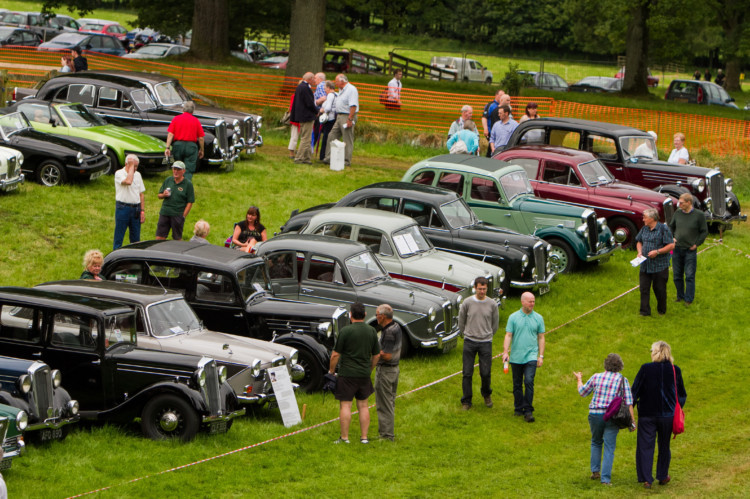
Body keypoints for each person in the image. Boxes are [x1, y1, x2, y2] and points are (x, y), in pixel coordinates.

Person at [632, 341, 687, 489]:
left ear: (656, 352)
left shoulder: (645, 369)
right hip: (667, 415)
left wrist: (631, 409)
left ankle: (646, 478)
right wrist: (675, 407)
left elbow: (634, 391)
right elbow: (682, 394)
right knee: (664, 445)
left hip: (647, 414)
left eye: (651, 350)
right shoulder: (675, 370)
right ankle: (662, 475)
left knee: (645, 446)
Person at [574, 354, 635, 486]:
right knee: (609, 447)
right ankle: (605, 480)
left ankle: (595, 472)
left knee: (596, 441)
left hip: (595, 414)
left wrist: (579, 379)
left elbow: (583, 392)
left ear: (605, 364)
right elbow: (629, 403)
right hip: (612, 416)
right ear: (620, 366)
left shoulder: (596, 376)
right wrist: (632, 422)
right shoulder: (622, 380)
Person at [329, 302, 380, 444]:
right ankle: (364, 438)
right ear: (364, 315)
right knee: (363, 406)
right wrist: (369, 368)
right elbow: (376, 355)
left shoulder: (345, 331)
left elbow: (335, 355)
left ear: (350, 315)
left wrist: (332, 371)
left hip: (347, 374)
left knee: (346, 406)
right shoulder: (371, 331)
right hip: (364, 374)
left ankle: (344, 438)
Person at [502, 291, 545, 422]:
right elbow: (508, 335)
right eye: (530, 301)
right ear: (522, 302)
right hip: (516, 356)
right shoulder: (513, 317)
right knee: (517, 384)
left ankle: (528, 410)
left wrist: (541, 356)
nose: (532, 303)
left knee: (529, 381)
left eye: (533, 301)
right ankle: (518, 407)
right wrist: (505, 352)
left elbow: (541, 337)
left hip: (531, 356)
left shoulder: (538, 318)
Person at [459, 277, 500, 410]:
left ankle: (486, 394)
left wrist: (488, 335)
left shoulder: (492, 304)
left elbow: (495, 324)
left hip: (485, 342)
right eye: (479, 289)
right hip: (469, 341)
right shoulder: (467, 302)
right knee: (467, 372)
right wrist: (464, 333)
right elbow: (461, 319)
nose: (482, 291)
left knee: (486, 372)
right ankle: (466, 401)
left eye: (484, 289)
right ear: (475, 288)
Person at [669, 193, 708, 306]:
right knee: (677, 275)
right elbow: (671, 226)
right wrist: (672, 238)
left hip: (690, 251)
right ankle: (680, 296)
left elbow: (704, 231)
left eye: (681, 203)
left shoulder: (699, 215)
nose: (679, 205)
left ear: (689, 203)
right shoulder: (677, 213)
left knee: (689, 275)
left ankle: (688, 299)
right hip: (676, 249)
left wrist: (696, 244)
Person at [635, 208, 675, 316]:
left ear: (652, 218)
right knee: (644, 289)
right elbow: (639, 241)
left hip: (659, 266)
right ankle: (644, 312)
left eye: (645, 217)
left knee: (659, 289)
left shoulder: (663, 229)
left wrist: (657, 252)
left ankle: (661, 310)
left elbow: (671, 245)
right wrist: (639, 252)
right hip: (645, 265)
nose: (643, 219)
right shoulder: (644, 229)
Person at [375, 304, 402, 441]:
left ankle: (386, 435)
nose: (375, 317)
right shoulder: (396, 326)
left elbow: (387, 355)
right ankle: (387, 433)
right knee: (390, 401)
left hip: (386, 371)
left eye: (376, 315)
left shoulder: (389, 332)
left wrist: (374, 352)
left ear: (383, 316)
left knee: (384, 403)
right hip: (394, 370)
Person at [323, 74, 359, 167]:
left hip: (347, 116)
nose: (335, 83)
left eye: (336, 81)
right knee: (332, 135)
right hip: (339, 116)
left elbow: (353, 105)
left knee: (347, 138)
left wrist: (350, 119)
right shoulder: (341, 90)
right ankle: (329, 158)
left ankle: (346, 161)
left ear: (342, 81)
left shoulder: (351, 89)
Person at [164, 101, 205, 181]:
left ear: (183, 109)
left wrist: (167, 147)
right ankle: (186, 185)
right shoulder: (196, 120)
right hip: (191, 147)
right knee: (189, 169)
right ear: (193, 111)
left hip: (178, 145)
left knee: (177, 166)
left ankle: (177, 184)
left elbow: (170, 134)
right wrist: (202, 150)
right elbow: (201, 138)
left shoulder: (176, 119)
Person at [113, 154, 145, 250]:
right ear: (126, 164)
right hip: (123, 208)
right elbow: (128, 181)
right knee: (119, 237)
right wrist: (131, 169)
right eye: (133, 166)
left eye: (136, 166)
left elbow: (141, 194)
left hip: (136, 208)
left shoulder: (138, 175)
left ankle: (135, 259)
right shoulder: (119, 173)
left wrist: (142, 211)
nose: (135, 168)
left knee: (136, 239)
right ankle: (116, 259)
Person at [156, 161, 194, 241]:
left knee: (177, 240)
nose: (175, 171)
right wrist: (164, 195)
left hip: (177, 215)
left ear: (183, 171)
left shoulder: (188, 184)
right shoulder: (168, 180)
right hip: (165, 213)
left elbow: (190, 202)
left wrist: (183, 216)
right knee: (159, 238)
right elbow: (159, 195)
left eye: (178, 169)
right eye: (174, 169)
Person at [291, 72, 317, 165]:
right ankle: (299, 158)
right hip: (307, 116)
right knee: (305, 138)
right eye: (313, 78)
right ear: (309, 79)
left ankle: (306, 158)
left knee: (307, 138)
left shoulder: (300, 87)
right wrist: (316, 110)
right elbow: (309, 103)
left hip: (302, 116)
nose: (314, 80)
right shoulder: (305, 88)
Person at [318, 80, 337, 161]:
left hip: (328, 119)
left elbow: (328, 108)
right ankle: (329, 155)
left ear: (329, 88)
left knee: (326, 138)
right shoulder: (337, 94)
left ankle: (323, 156)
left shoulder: (330, 95)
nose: (324, 90)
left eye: (325, 88)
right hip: (334, 119)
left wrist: (322, 110)